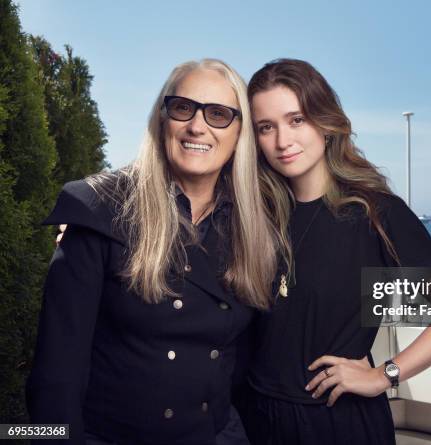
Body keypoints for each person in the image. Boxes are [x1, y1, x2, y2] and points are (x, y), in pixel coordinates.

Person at [26, 58, 278, 445]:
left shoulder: (256, 227)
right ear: (163, 118)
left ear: (239, 132)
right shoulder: (100, 208)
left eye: (218, 114)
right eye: (183, 108)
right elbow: (55, 376)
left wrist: (386, 371)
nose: (198, 126)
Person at [240, 59, 431, 445]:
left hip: (337, 423)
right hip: (253, 420)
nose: (282, 140)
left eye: (296, 120)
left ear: (324, 122)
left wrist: (383, 374)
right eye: (266, 127)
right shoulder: (255, 214)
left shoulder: (375, 211)